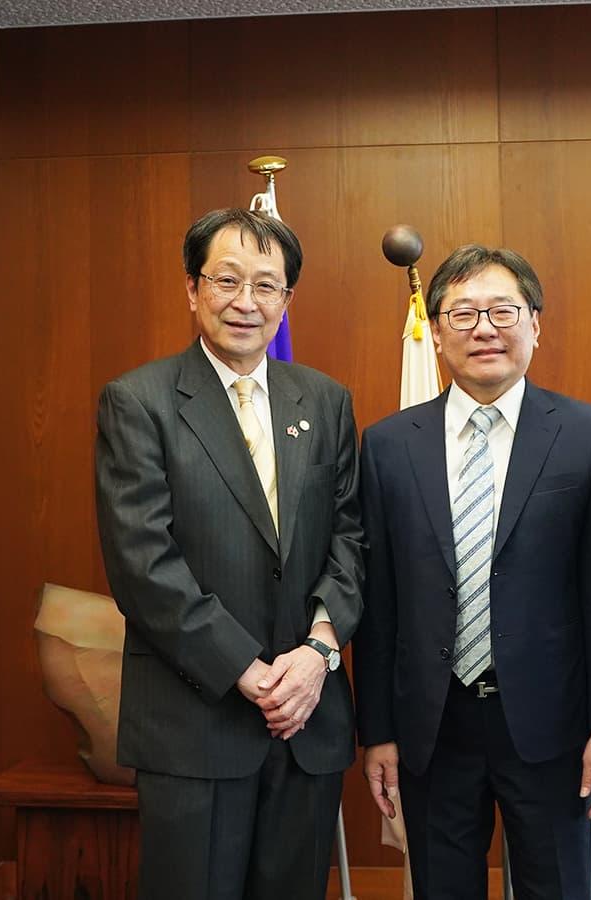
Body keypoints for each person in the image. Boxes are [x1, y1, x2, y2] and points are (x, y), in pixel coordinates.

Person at [94, 208, 363, 900]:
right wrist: (248, 671)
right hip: (195, 725)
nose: (247, 302)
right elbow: (143, 564)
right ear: (192, 288)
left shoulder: (326, 402)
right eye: (227, 280)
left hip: (307, 721)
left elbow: (352, 538)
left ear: (286, 301)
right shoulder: (140, 402)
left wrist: (317, 654)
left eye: (266, 286)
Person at [354, 244, 591, 899]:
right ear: (437, 333)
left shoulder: (585, 435)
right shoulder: (389, 446)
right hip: (432, 727)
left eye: (503, 311)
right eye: (464, 313)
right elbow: (379, 603)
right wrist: (380, 733)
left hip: (554, 726)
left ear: (535, 324)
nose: (485, 329)